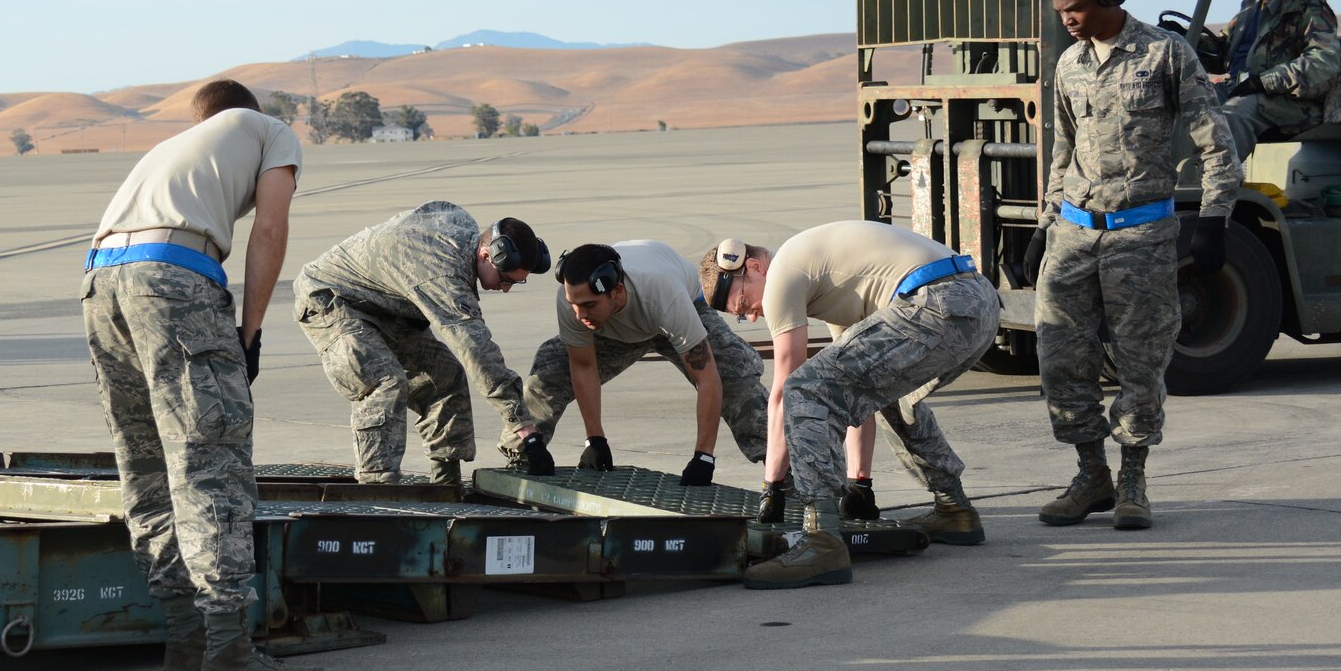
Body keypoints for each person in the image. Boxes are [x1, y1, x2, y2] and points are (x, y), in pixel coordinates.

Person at [82, 80, 326, 671]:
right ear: (249, 112)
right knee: (209, 457)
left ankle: (185, 638)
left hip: (101, 281)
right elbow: (270, 230)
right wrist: (249, 333)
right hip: (173, 280)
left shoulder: (173, 149)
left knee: (148, 462)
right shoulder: (268, 131)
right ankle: (229, 649)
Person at [1024, 0, 1242, 529]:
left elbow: (1216, 143)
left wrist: (1216, 219)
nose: (1067, 18)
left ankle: (1132, 481)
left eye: (1075, 7)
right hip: (1074, 230)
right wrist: (1046, 223)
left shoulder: (1166, 54)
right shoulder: (1068, 64)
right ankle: (1090, 473)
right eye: (1060, 10)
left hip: (1141, 234)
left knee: (1140, 364)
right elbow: (1063, 149)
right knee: (1059, 360)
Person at [705, 225, 1001, 589]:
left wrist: (773, 483)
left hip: (936, 303)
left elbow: (785, 389)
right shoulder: (831, 282)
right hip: (976, 302)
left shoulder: (783, 271)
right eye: (741, 316)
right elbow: (858, 394)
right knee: (884, 395)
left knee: (804, 389)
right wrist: (859, 483)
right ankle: (954, 508)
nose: (751, 316)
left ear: (753, 267)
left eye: (742, 303)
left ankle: (821, 540)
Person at [295, 203, 553, 485]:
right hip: (331, 301)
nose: (506, 288)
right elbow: (477, 353)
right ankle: (375, 488)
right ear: (485, 254)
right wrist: (525, 430)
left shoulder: (462, 228)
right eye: (505, 279)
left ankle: (446, 482)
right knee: (384, 382)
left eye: (516, 283)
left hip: (387, 308)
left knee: (444, 377)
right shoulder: (443, 275)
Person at [512, 240, 767, 483]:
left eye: (589, 305)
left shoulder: (664, 297)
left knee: (735, 379)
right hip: (613, 326)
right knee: (550, 371)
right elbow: (583, 366)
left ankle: (786, 471)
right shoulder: (575, 302)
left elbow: (707, 377)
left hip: (680, 309)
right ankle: (522, 457)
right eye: (574, 305)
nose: (579, 315)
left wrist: (704, 457)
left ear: (617, 290)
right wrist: (595, 440)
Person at [1212, 0, 1341, 163]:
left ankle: (1219, 187)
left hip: (1292, 102)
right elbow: (1225, 49)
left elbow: (1324, 62)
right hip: (1241, 86)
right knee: (1186, 102)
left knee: (1233, 114)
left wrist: (1265, 81)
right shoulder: (1251, 4)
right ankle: (1164, 182)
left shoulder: (1307, 4)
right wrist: (1188, 42)